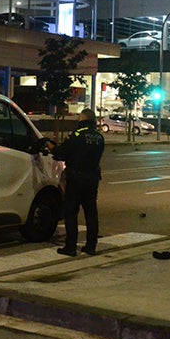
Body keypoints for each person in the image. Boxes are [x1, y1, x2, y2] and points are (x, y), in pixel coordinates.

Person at [49, 107, 104, 257]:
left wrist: (51, 147)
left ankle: (71, 246)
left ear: (83, 120)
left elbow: (62, 152)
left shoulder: (77, 135)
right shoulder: (99, 137)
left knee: (71, 212)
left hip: (76, 179)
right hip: (92, 179)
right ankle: (91, 246)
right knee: (91, 213)